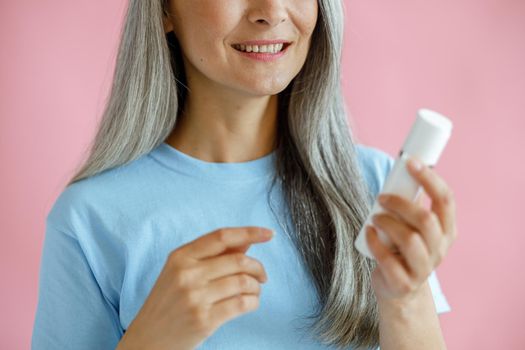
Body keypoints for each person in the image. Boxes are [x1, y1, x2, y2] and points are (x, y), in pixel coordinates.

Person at [31, 0, 457, 349]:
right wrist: (152, 341)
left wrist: (405, 298)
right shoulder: (88, 219)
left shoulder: (374, 187)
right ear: (164, 10)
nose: (270, 11)